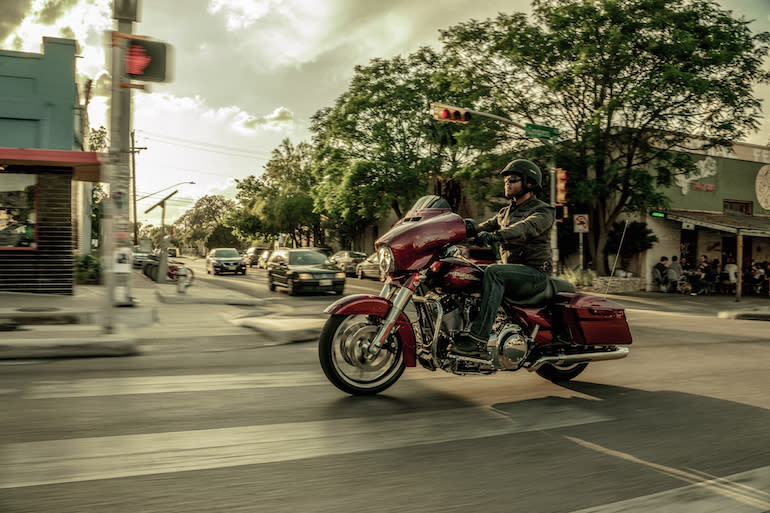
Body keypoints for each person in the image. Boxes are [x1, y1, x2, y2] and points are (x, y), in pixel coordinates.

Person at [451, 159, 554, 359]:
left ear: (530, 183)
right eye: (506, 180)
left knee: (493, 272)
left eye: (513, 179)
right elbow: (480, 228)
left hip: (534, 274)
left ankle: (477, 340)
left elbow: (526, 227)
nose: (507, 183)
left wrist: (498, 235)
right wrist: (451, 231)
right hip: (514, 273)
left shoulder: (543, 210)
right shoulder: (504, 213)